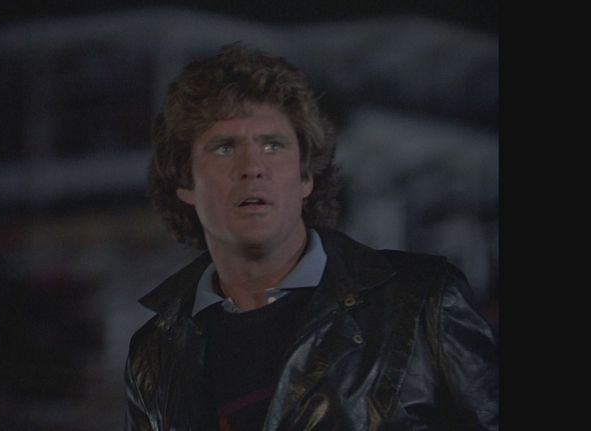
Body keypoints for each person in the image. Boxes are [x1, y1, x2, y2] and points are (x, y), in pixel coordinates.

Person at [124, 43, 498, 430]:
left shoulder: (424, 303)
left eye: (273, 145)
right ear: (185, 184)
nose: (252, 167)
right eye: (224, 148)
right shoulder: (156, 353)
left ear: (306, 177)